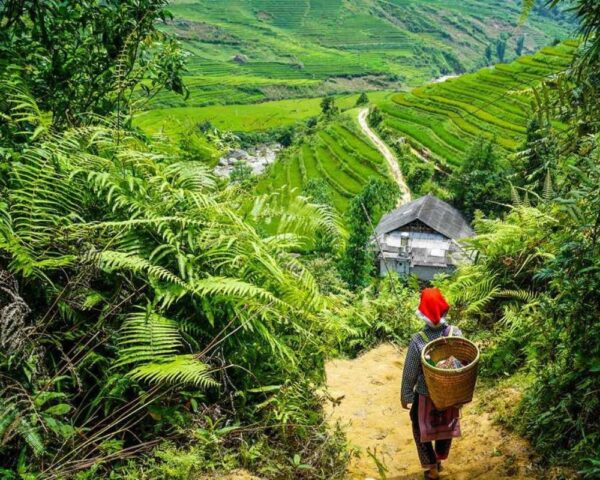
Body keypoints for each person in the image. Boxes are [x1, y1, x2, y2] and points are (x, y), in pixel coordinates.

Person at [401, 288, 462, 480]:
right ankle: (439, 459)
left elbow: (410, 371)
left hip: (426, 394)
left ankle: (430, 468)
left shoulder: (419, 339)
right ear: (444, 309)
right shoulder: (455, 332)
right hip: (450, 394)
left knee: (418, 425)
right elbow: (464, 362)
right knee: (446, 424)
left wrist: (406, 395)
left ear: (423, 313)